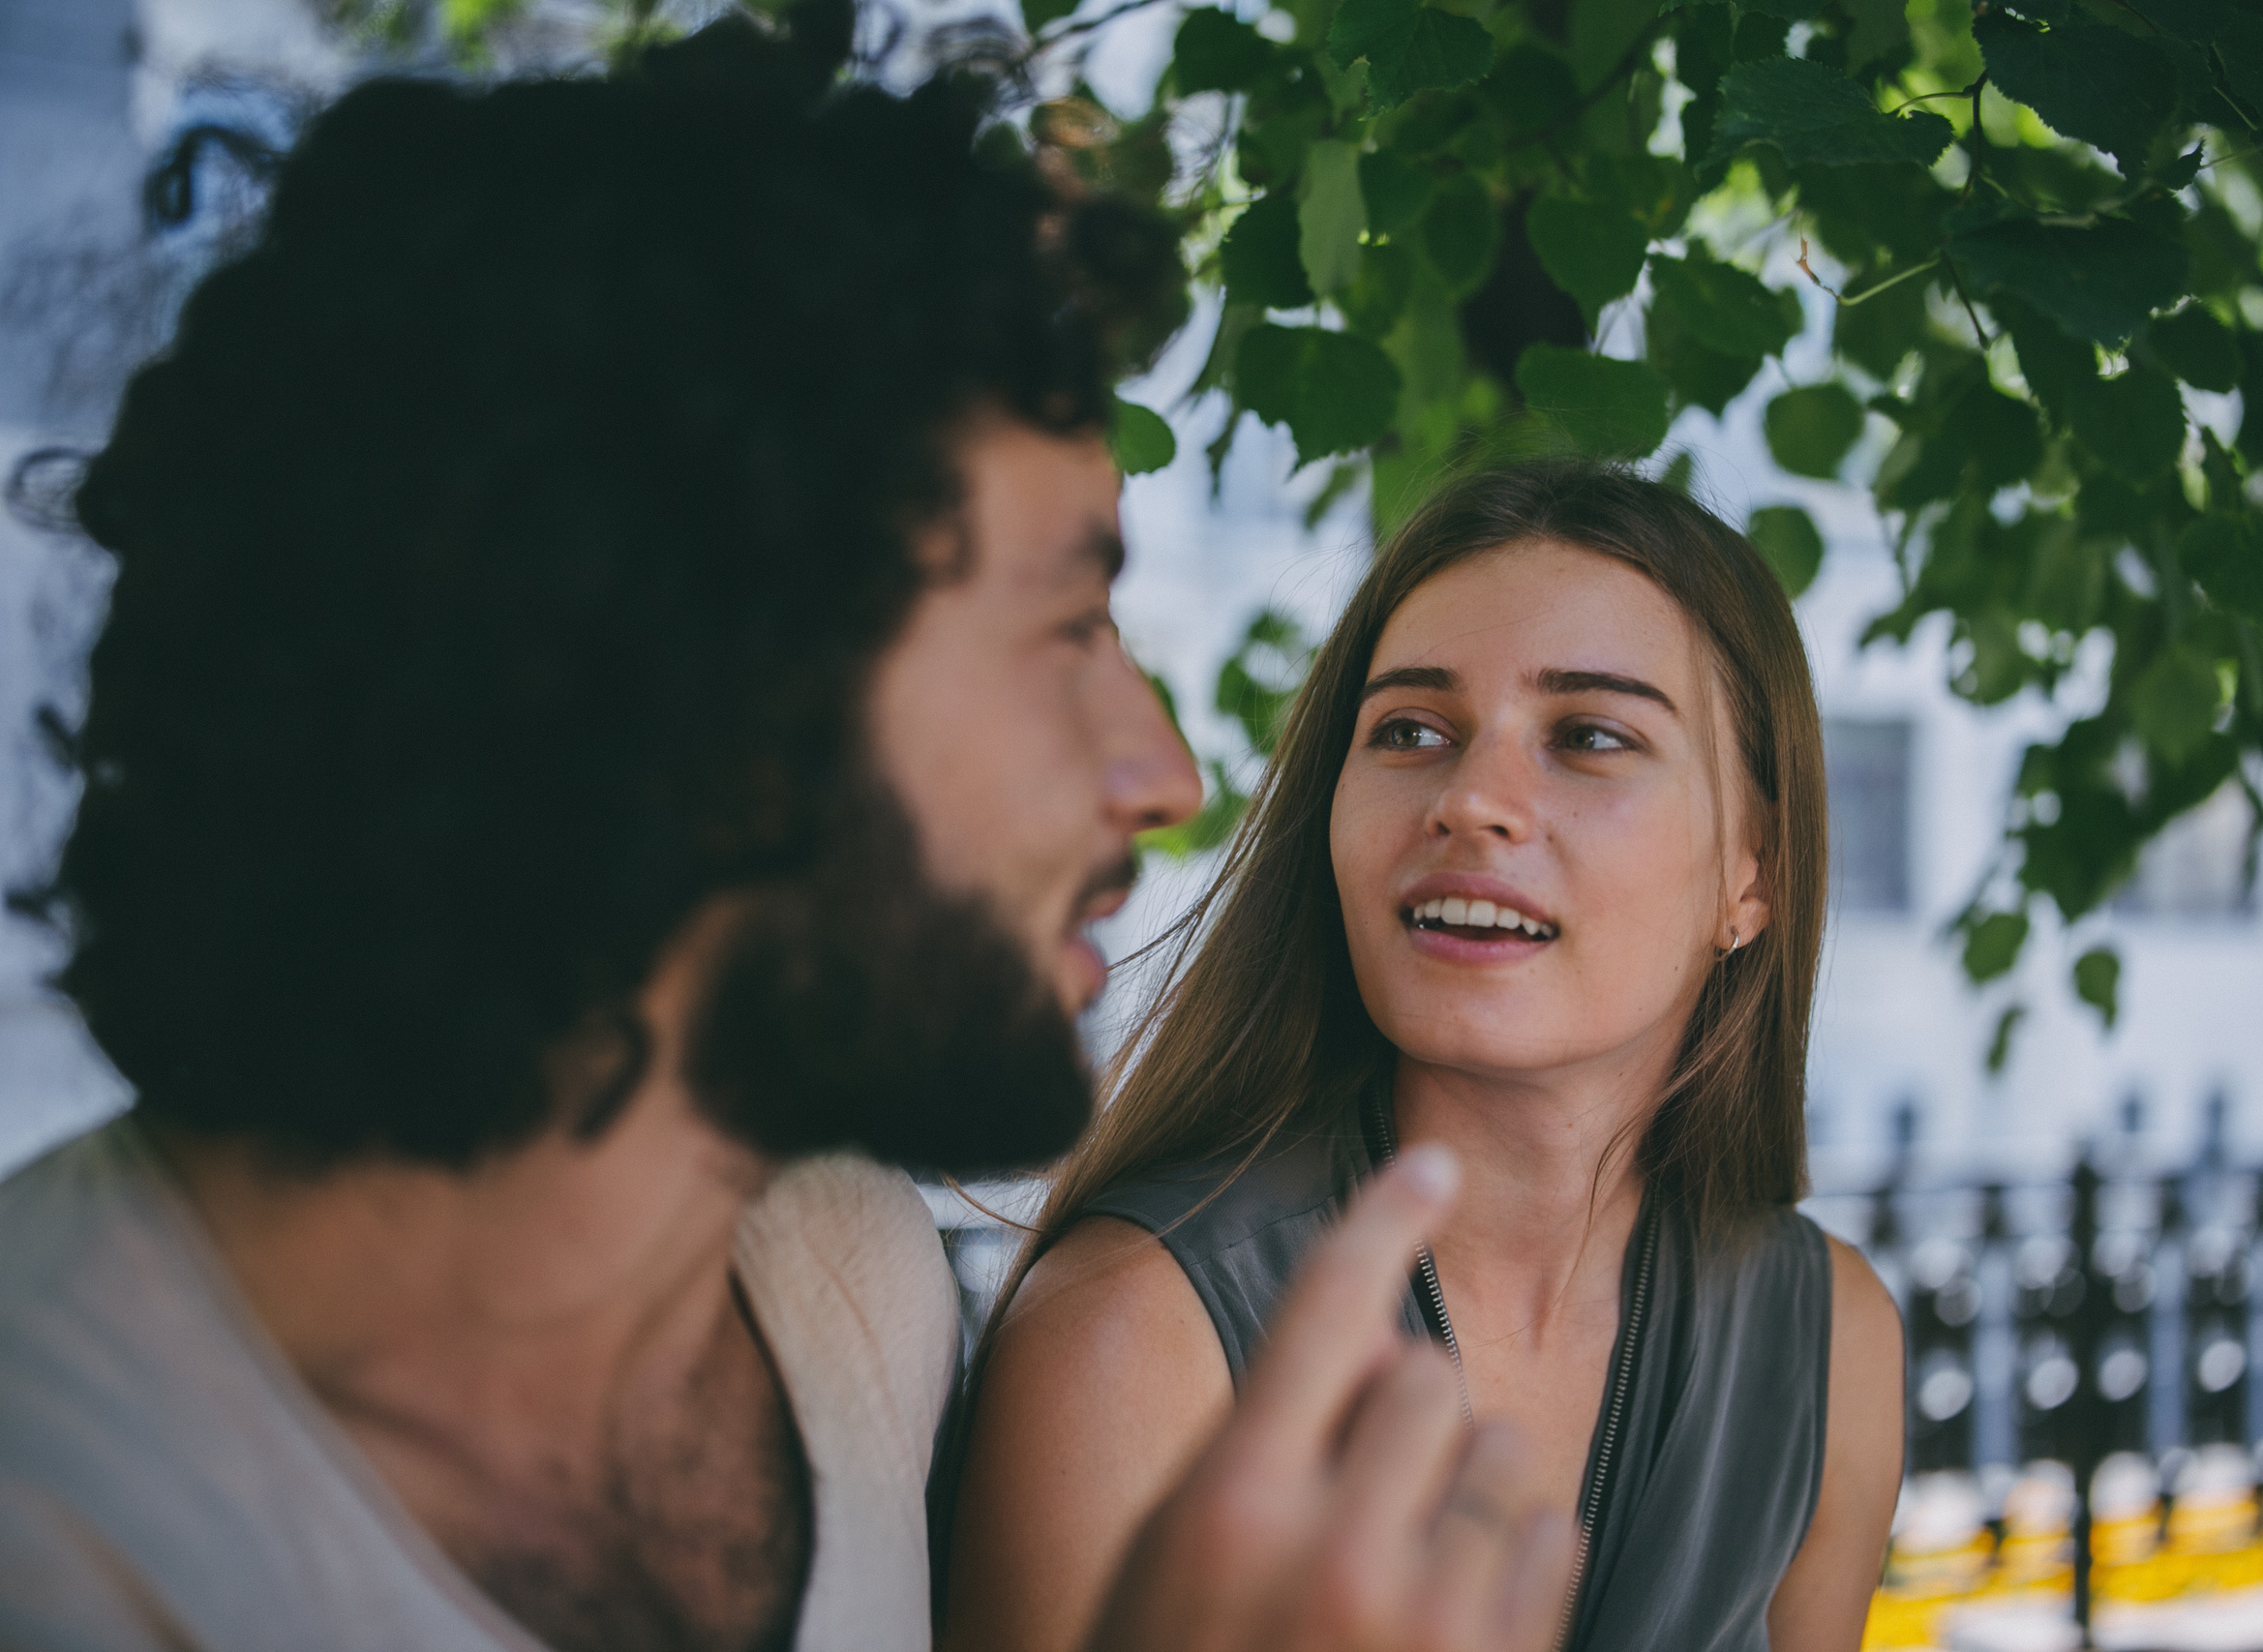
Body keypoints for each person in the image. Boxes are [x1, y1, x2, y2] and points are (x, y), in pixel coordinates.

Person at [0, 11, 1579, 1652]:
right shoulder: (58, 1521)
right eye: (1067, 632)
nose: (1167, 773)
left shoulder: (847, 1287)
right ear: (701, 679)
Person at [946, 461, 1909, 1652]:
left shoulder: (1831, 1343)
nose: (1470, 799)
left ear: (1751, 872)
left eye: (1589, 736)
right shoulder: (1126, 1336)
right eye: (1408, 730)